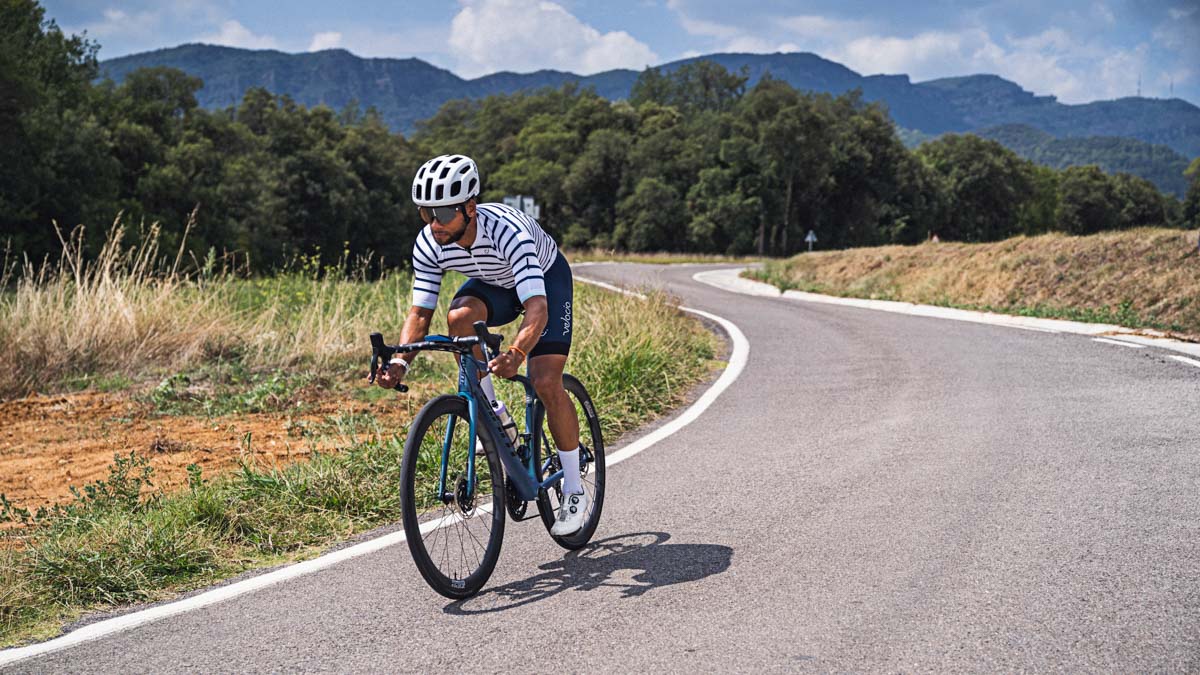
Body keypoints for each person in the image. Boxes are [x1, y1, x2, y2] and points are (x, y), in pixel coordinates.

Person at [376, 154, 587, 535]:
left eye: (443, 212)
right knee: (457, 318)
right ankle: (495, 414)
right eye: (426, 213)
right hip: (495, 283)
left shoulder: (509, 233)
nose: (434, 223)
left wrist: (516, 353)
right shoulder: (430, 242)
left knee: (544, 381)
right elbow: (420, 313)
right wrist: (400, 363)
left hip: (545, 280)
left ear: (470, 208)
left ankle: (573, 490)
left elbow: (537, 308)